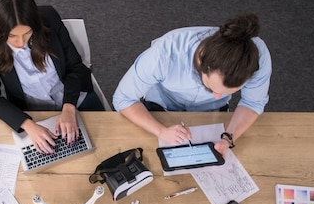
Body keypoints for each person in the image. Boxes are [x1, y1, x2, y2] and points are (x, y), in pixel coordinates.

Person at [112, 13, 271, 157]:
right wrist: (161, 131)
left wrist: (228, 138)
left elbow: (252, 102)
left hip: (213, 112)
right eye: (210, 88)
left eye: (226, 92)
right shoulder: (164, 55)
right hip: (162, 106)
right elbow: (123, 99)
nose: (216, 96)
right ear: (202, 62)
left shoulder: (255, 55)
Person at [0, 0, 103, 155]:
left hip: (75, 98)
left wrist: (69, 107)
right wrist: (28, 125)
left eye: (27, 33)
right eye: (12, 36)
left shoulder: (49, 17)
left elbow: (75, 66)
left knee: (103, 146)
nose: (21, 43)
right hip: (31, 112)